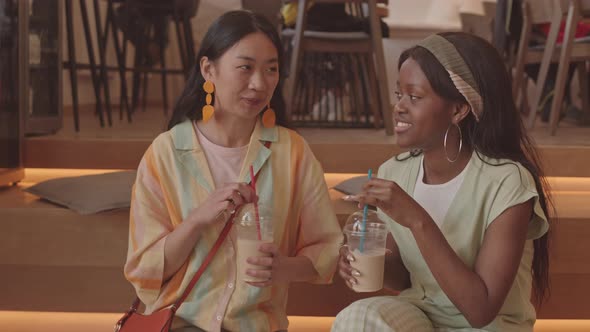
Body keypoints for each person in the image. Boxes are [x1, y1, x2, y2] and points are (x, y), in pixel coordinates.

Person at [124, 10, 342, 332]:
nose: (259, 83)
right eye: (245, 67)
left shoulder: (292, 153)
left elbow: (326, 249)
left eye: (271, 69)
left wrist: (284, 268)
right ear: (208, 69)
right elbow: (145, 268)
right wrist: (198, 219)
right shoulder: (166, 153)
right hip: (180, 322)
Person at [333, 32, 552, 331]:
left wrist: (417, 219)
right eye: (399, 94)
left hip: (489, 326)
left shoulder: (507, 182)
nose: (399, 107)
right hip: (422, 314)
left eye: (415, 96)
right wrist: (370, 263)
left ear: (459, 109)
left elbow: (481, 309)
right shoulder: (395, 172)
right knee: (358, 319)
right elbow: (405, 278)